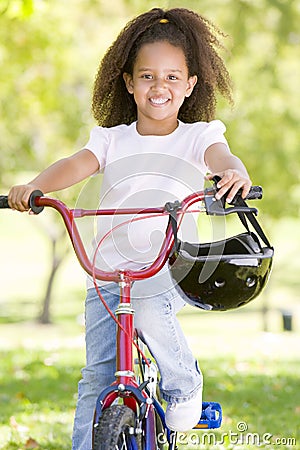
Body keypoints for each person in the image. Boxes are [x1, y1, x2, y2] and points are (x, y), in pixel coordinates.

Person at [8, 7, 251, 449]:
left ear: (191, 84)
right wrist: (36, 187)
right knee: (96, 376)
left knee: (152, 311)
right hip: (107, 273)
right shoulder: (112, 140)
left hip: (166, 268)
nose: (160, 87)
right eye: (147, 77)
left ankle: (183, 384)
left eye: (173, 77)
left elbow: (222, 159)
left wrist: (235, 174)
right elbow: (74, 166)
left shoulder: (198, 136)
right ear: (128, 82)